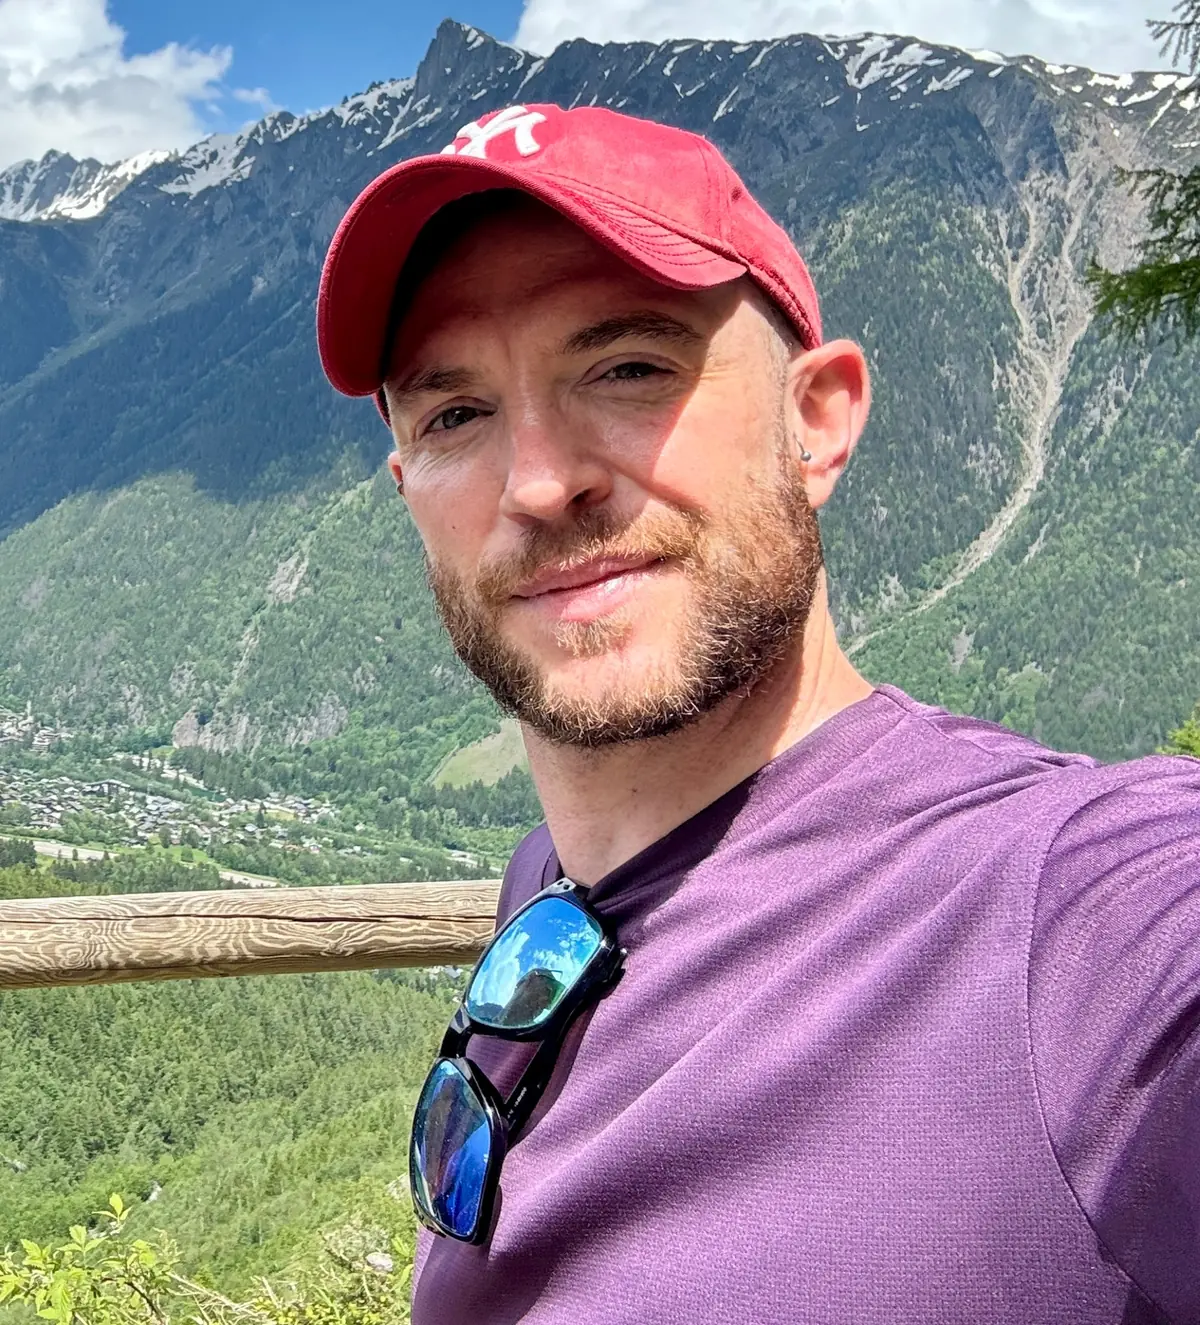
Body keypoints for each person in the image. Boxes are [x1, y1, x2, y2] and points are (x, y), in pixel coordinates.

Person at [317, 103, 1200, 1324]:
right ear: (409, 481)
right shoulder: (556, 884)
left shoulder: (1080, 917)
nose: (537, 480)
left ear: (817, 417)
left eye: (628, 366)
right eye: (454, 413)